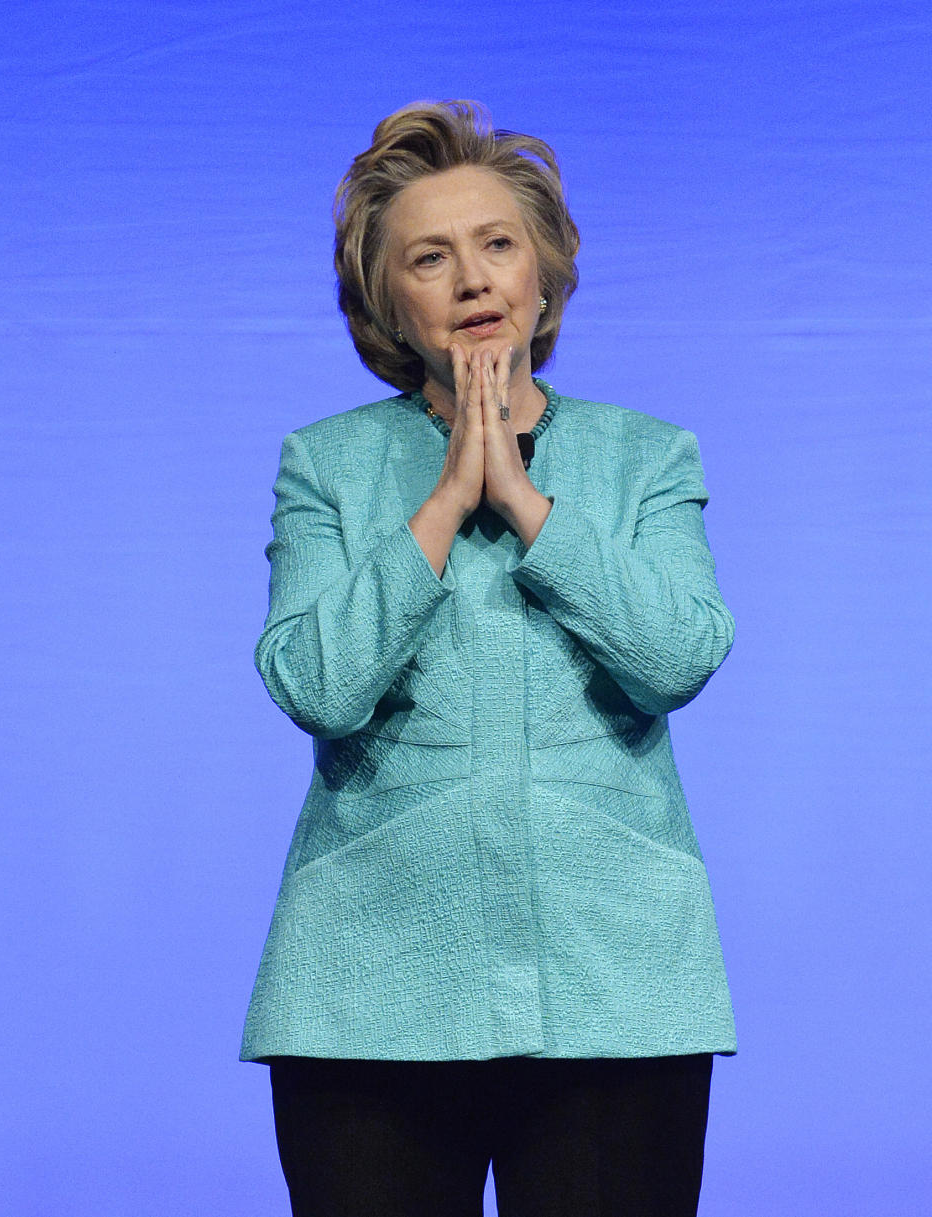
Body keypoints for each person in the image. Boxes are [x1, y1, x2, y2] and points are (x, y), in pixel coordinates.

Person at [241, 100, 736, 1217]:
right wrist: (446, 500)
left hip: (617, 982)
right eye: (430, 257)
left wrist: (522, 503)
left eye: (498, 244)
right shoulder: (325, 464)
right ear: (388, 306)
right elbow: (315, 684)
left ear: (546, 279)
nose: (472, 279)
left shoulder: (646, 456)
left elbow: (678, 655)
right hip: (367, 988)